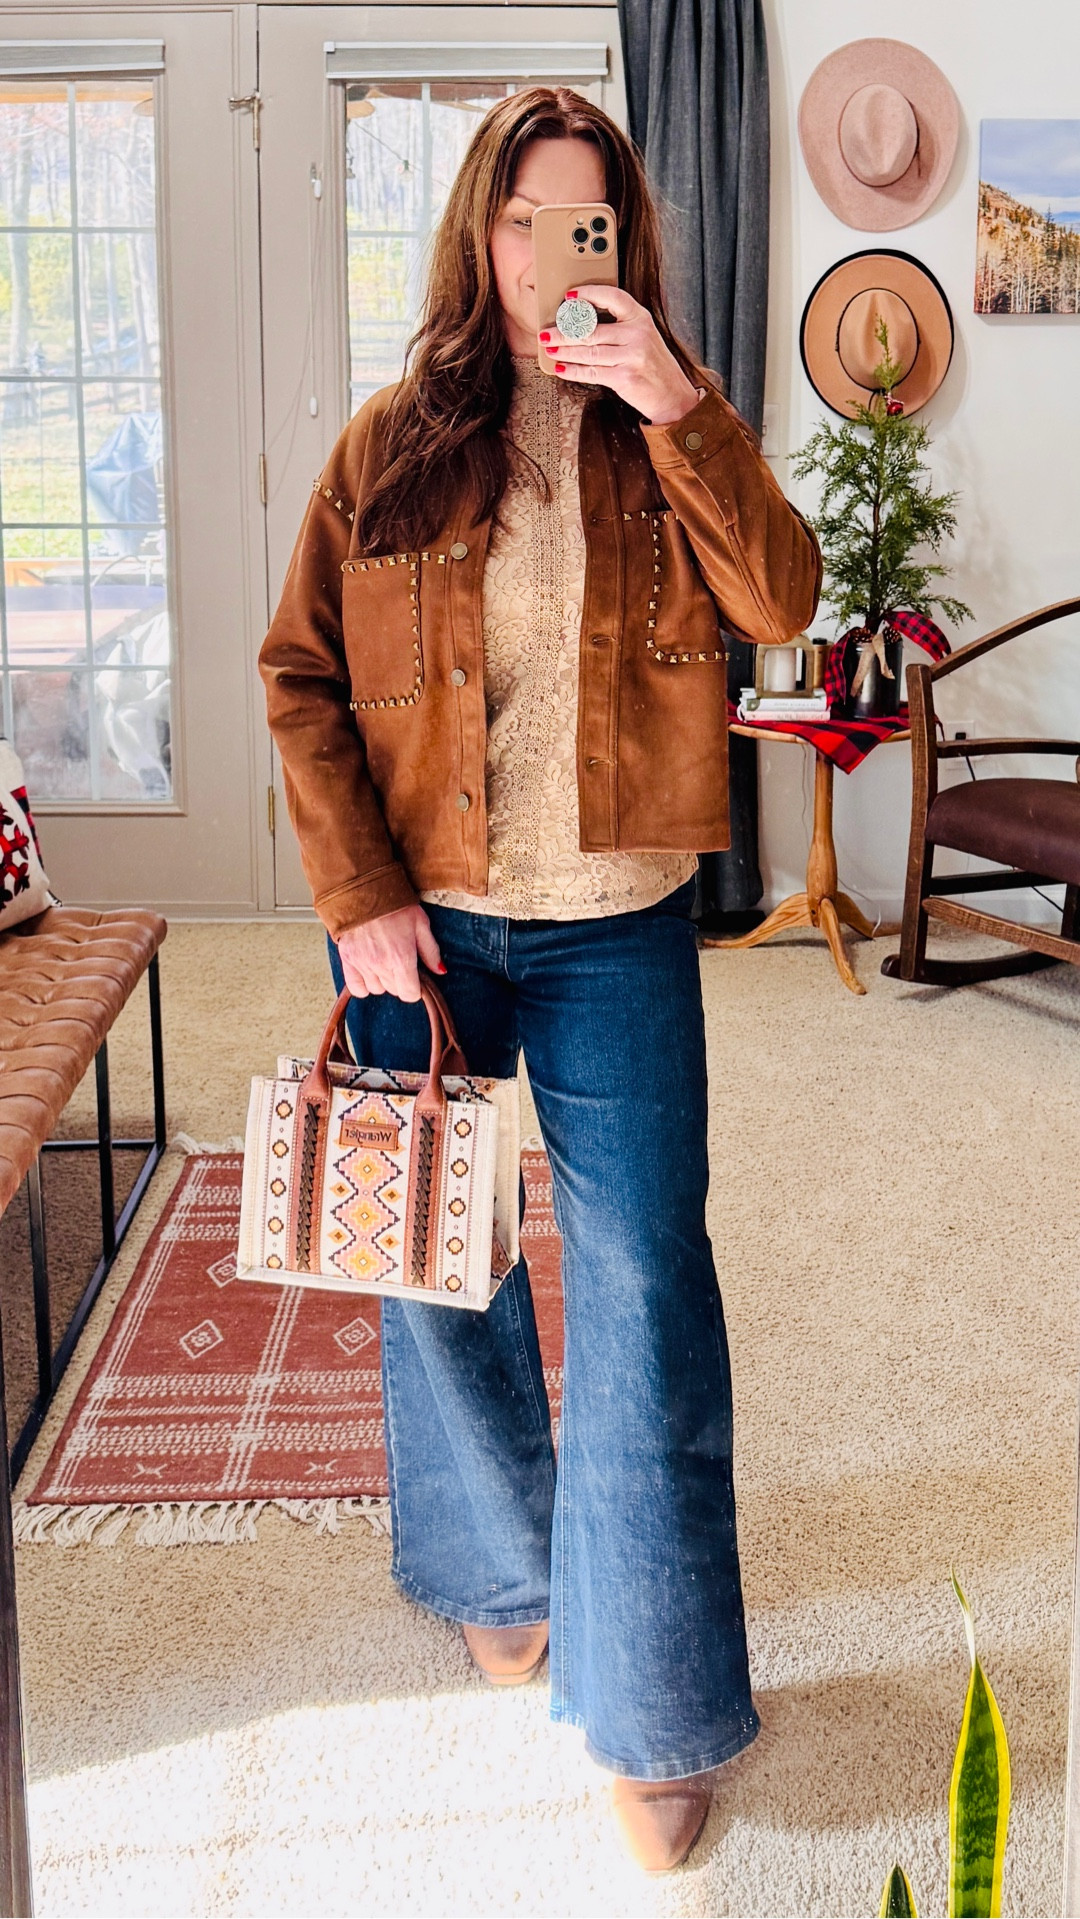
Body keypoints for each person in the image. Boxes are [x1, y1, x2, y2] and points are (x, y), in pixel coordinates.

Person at [260, 86, 820, 1873]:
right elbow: (300, 678)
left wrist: (679, 407)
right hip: (417, 921)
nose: (543, 257)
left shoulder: (672, 429)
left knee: (648, 1284)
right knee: (429, 1257)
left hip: (616, 922)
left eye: (580, 222)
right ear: (478, 235)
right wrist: (357, 897)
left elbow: (784, 606)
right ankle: (500, 1570)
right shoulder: (391, 443)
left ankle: (654, 1704)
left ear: (622, 241)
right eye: (519, 221)